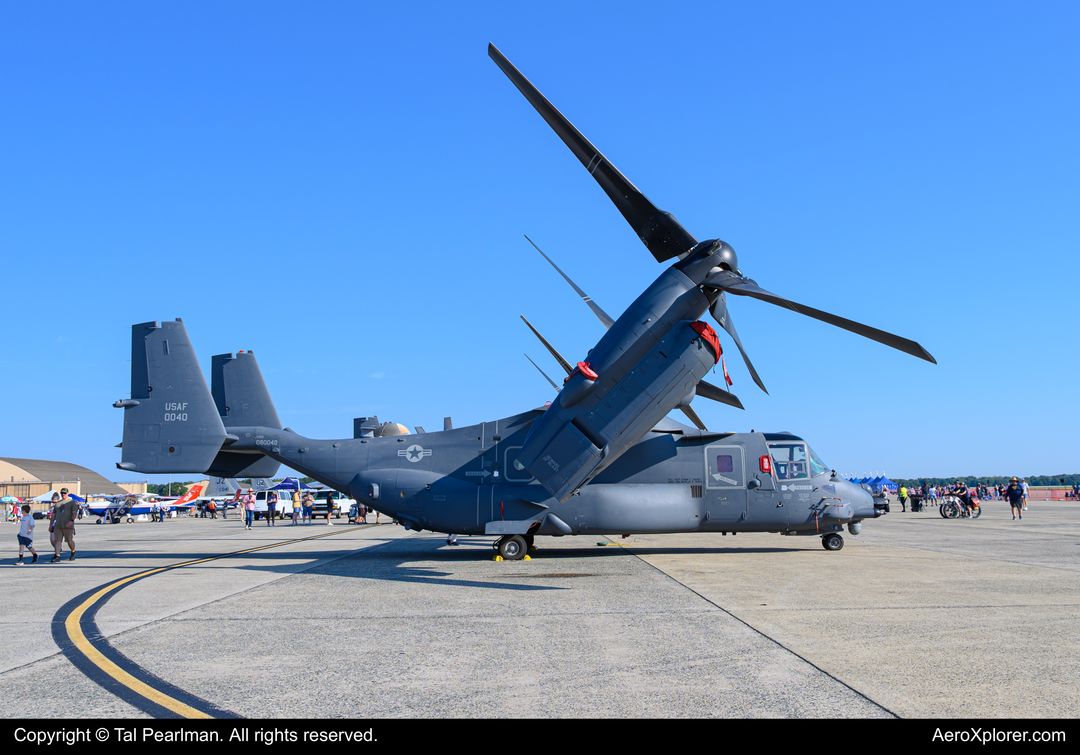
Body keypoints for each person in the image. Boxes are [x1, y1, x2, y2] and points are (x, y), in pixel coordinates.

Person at [52, 488, 78, 562]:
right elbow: (54, 515)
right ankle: (57, 556)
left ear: (67, 493)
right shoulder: (57, 503)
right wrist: (51, 525)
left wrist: (71, 521)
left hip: (68, 526)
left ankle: (73, 551)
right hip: (58, 525)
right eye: (62, 493)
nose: (63, 494)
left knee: (69, 541)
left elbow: (74, 513)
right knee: (57, 541)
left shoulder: (72, 502)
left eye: (64, 493)